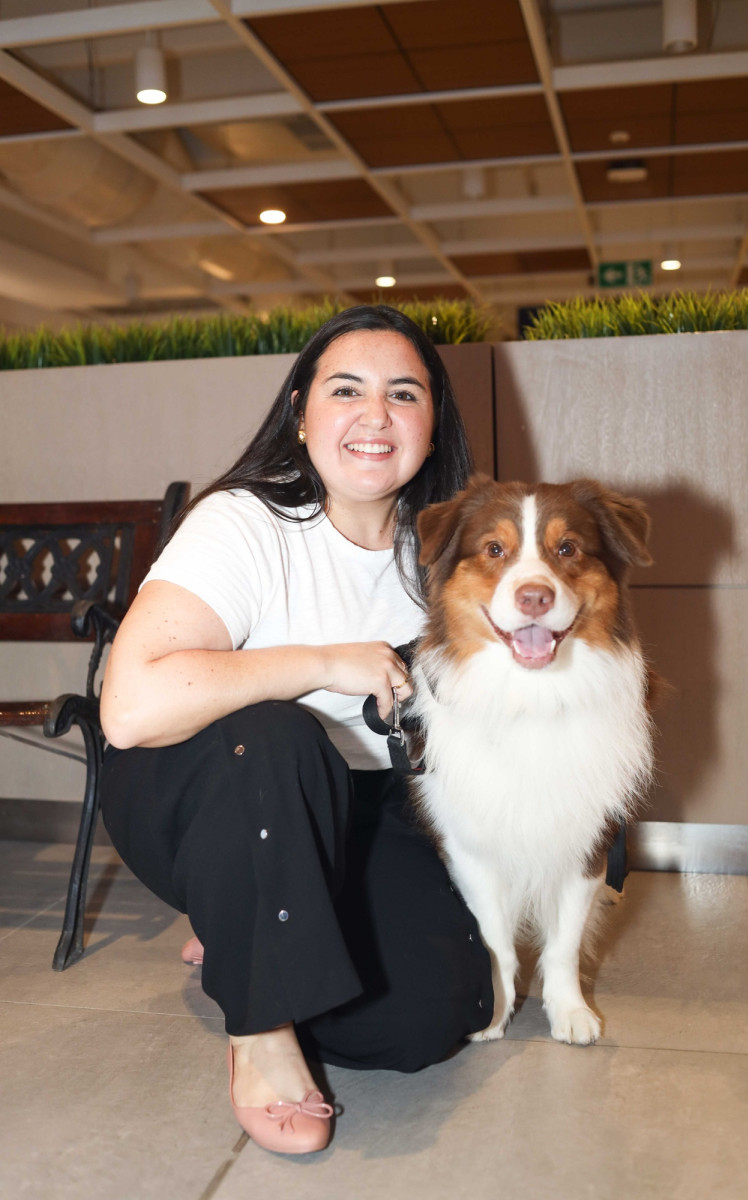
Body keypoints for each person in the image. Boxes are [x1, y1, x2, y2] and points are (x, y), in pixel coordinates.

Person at [99, 304, 493, 1157]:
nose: (375, 415)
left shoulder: (445, 552)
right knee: (280, 734)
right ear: (300, 411)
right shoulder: (245, 522)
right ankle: (262, 1026)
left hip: (357, 808)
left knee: (429, 1019)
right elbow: (129, 710)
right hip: (200, 791)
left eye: (404, 394)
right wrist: (321, 662)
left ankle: (246, 922)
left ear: (434, 423)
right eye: (346, 389)